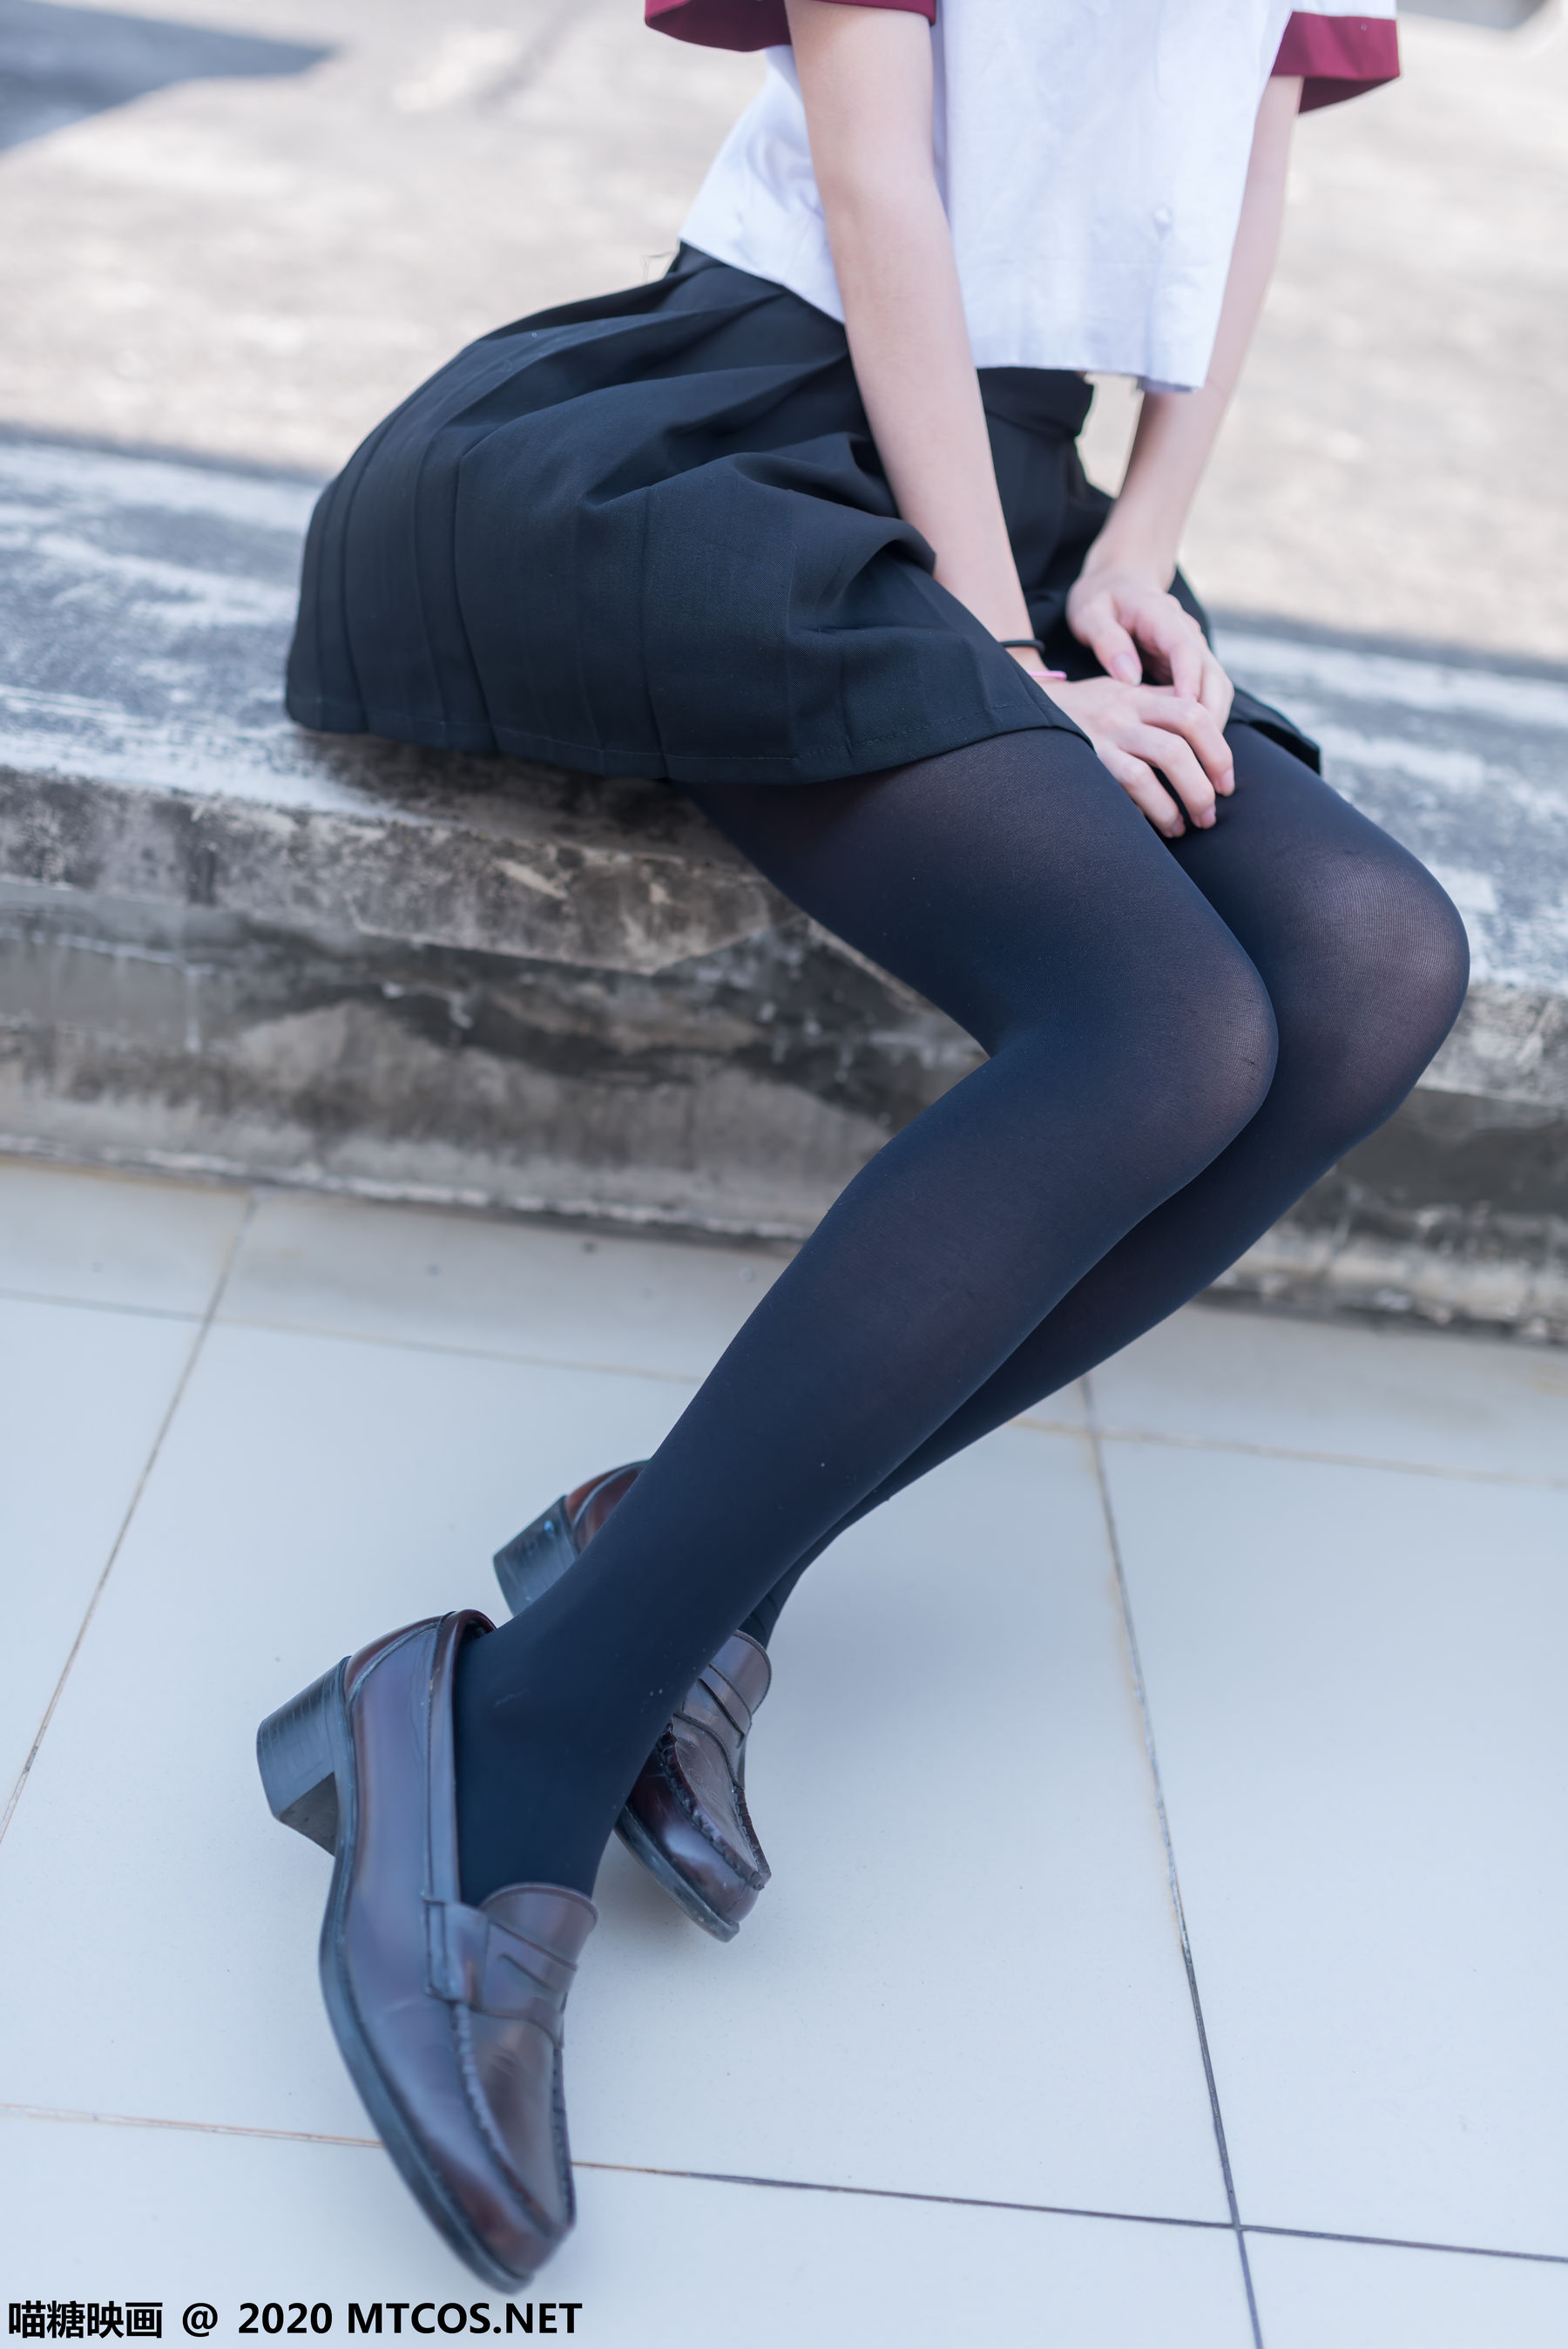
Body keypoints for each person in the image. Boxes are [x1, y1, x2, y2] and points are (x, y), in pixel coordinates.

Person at [261, 0, 1464, 2287]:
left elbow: (1252, 150)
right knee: (1165, 1030)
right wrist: (1006, 660)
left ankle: (661, 1567)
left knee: (1376, 964)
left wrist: (1141, 548)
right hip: (731, 440)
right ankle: (513, 1738)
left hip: (1015, 488)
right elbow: (876, 170)